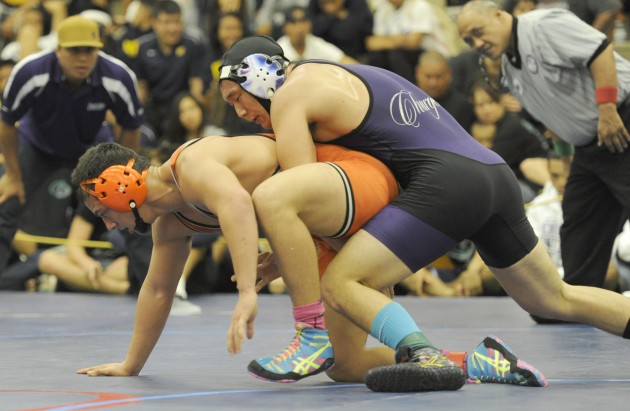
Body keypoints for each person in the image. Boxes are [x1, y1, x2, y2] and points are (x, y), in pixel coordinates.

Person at [218, 33, 630, 393]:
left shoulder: (291, 93)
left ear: (259, 74)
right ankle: (475, 361)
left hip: (446, 182)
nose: (240, 114)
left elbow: (299, 191)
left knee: (342, 283)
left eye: (237, 97)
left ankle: (422, 355)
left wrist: (288, 253)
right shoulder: (338, 73)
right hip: (491, 175)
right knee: (554, 298)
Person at [71, 137, 546, 388]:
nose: (108, 226)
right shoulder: (170, 223)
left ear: (118, 185)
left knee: (342, 293)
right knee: (345, 363)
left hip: (353, 187)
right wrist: (131, 365)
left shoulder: (192, 164)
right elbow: (157, 291)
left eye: (101, 212)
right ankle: (479, 362)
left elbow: (237, 204)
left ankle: (313, 329)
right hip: (326, 225)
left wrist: (246, 294)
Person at [457, 1, 630, 289]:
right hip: (588, 145)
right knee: (579, 220)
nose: (477, 43)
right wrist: (564, 159)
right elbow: (553, 116)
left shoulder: (543, 25)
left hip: (620, 120)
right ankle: (579, 299)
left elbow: (600, 50)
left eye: (479, 32)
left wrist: (608, 107)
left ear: (499, 15)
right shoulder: (510, 69)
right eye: (468, 40)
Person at [0, 15, 142, 275]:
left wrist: (124, 174)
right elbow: (7, 123)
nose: (83, 58)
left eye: (89, 50)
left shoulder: (118, 77)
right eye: (74, 51)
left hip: (91, 149)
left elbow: (132, 128)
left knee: (132, 200)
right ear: (58, 50)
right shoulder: (30, 72)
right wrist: (13, 175)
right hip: (37, 145)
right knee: (6, 199)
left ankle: (148, 280)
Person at [134, 0, 208, 137]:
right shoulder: (143, 47)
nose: (173, 28)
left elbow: (196, 85)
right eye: (167, 22)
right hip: (153, 111)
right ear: (154, 23)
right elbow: (141, 87)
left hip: (182, 112)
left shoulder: (192, 45)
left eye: (176, 22)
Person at [276, 6, 358, 64]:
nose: (300, 27)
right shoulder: (278, 51)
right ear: (285, 28)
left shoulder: (315, 43)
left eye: (303, 21)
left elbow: (344, 60)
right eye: (294, 22)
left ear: (310, 25)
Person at [415, 50, 474, 131]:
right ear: (417, 73)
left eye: (438, 76)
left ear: (449, 74)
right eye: (428, 76)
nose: (433, 83)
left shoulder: (462, 107)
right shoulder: (405, 103)